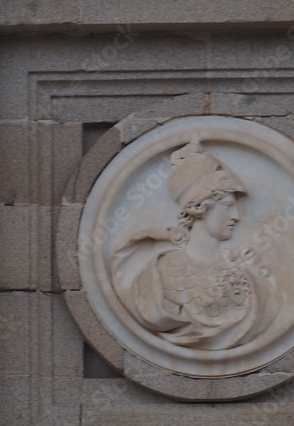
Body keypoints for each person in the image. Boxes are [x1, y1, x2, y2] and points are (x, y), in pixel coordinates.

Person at [111, 138, 277, 351]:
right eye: (227, 206)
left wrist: (254, 276)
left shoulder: (244, 269)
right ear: (200, 208)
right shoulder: (161, 271)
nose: (236, 216)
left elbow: (267, 313)